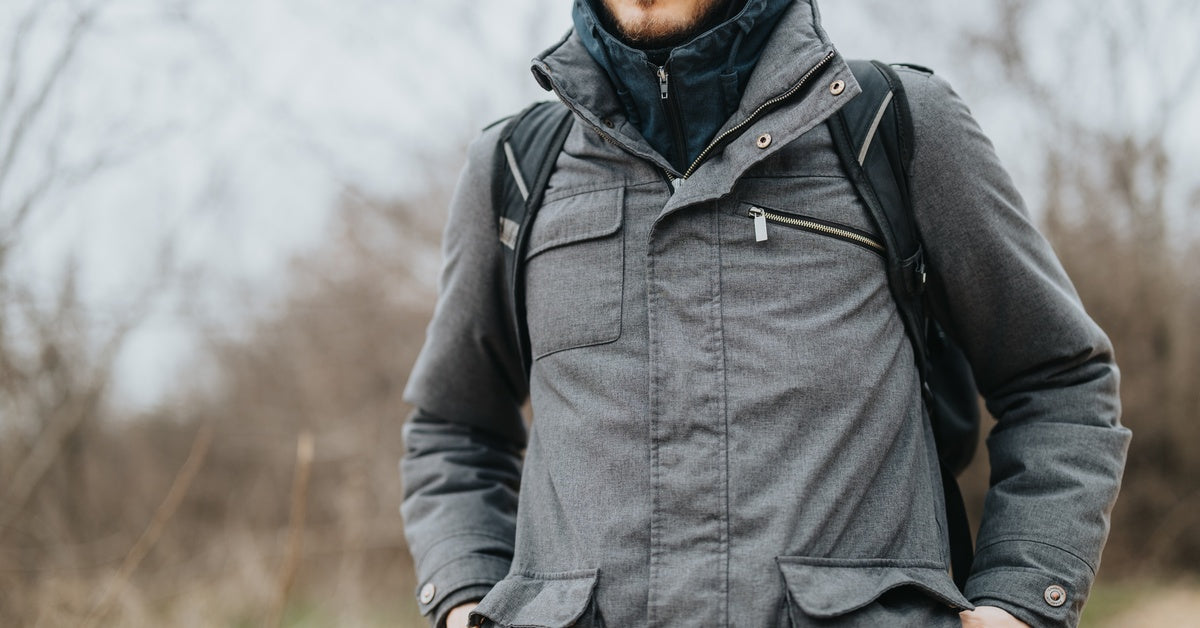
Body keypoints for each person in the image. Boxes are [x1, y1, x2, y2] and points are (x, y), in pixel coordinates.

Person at [399, 0, 1131, 626]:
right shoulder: (515, 168)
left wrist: (1020, 598)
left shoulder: (891, 126)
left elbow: (1060, 382)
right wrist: (466, 596)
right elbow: (452, 428)